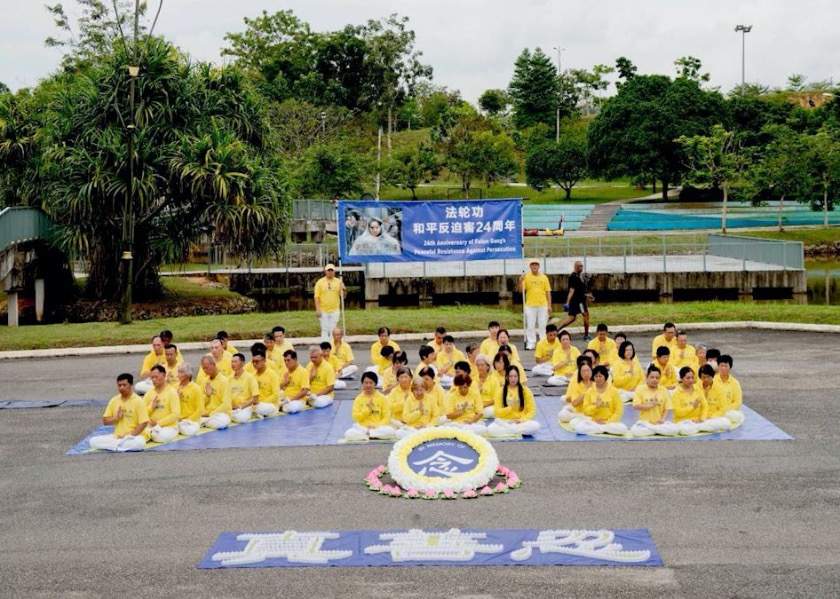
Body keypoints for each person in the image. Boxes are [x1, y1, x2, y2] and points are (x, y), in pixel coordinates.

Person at [89, 374, 148, 451]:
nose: (121, 388)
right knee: (93, 441)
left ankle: (115, 446)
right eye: (119, 385)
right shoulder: (114, 400)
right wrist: (116, 418)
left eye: (124, 385)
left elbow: (143, 423)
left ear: (131, 385)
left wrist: (129, 436)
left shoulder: (139, 401)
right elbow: (105, 421)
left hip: (134, 437)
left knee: (139, 444)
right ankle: (118, 446)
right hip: (117, 437)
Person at [572, 365, 628, 436]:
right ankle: (603, 429)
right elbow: (586, 410)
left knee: (623, 429)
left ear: (605, 377)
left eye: (600, 376)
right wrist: (595, 406)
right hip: (594, 421)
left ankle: (599, 429)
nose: (598, 379)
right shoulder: (590, 391)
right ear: (593, 378)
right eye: (596, 376)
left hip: (609, 423)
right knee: (579, 428)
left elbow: (619, 410)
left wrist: (607, 422)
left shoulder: (614, 391)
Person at [487, 365, 541, 437]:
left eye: (515, 376)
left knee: (535, 426)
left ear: (518, 377)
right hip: (505, 421)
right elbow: (497, 412)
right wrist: (510, 408)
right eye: (511, 376)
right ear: (506, 377)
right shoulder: (500, 391)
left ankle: (509, 431)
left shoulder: (525, 390)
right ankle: (515, 431)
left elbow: (532, 411)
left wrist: (522, 420)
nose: (513, 379)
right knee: (491, 429)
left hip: (519, 422)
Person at [344, 372, 396, 441]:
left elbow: (386, 417)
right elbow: (355, 416)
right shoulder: (358, 398)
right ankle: (371, 435)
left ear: (375, 384)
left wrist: (376, 426)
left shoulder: (382, 398)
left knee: (391, 432)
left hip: (377, 427)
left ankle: (367, 435)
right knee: (348, 434)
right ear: (363, 384)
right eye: (366, 383)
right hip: (363, 427)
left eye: (371, 383)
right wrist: (367, 409)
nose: (368, 385)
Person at [629, 365, 678, 437]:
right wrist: (650, 405)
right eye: (652, 377)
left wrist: (662, 420)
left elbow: (667, 408)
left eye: (657, 378)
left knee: (674, 430)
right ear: (647, 377)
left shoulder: (663, 389)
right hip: (645, 423)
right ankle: (657, 430)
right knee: (635, 431)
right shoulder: (640, 389)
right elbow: (635, 406)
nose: (654, 380)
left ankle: (653, 430)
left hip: (659, 423)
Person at [519, 259, 552, 350]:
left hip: (543, 305)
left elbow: (548, 292)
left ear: (539, 266)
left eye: (536, 265)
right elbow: (521, 291)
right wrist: (520, 281)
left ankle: (542, 343)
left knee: (542, 325)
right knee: (530, 325)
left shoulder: (544, 277)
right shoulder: (526, 277)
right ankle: (531, 343)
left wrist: (549, 305)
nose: (534, 266)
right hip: (530, 305)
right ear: (530, 266)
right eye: (533, 265)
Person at [557, 260, 594, 340]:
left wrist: (587, 295)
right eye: (579, 266)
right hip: (579, 302)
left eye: (582, 266)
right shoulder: (573, 277)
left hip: (579, 300)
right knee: (586, 315)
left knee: (572, 318)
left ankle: (557, 330)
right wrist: (567, 303)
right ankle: (586, 335)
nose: (581, 267)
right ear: (575, 267)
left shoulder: (578, 276)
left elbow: (579, 291)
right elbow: (572, 290)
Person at [144, 365, 181, 442]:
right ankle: (149, 434)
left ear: (164, 376)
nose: (154, 380)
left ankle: (148, 435)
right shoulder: (149, 393)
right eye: (152, 378)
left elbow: (175, 414)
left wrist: (158, 423)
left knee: (160, 436)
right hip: (151, 426)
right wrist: (151, 408)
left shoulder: (172, 392)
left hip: (168, 427)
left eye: (156, 377)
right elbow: (142, 413)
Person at [671, 367, 708, 435]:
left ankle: (699, 427)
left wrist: (702, 419)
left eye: (692, 377)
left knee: (721, 423)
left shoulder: (698, 390)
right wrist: (692, 407)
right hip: (683, 423)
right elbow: (678, 412)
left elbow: (705, 406)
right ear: (681, 379)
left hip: (697, 421)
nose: (691, 380)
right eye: (688, 378)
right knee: (686, 430)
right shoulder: (676, 393)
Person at [199, 355, 232, 430]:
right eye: (203, 368)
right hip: (206, 414)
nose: (204, 370)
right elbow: (200, 402)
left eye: (206, 368)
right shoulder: (204, 381)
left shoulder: (224, 381)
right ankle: (204, 422)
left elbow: (226, 404)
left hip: (220, 414)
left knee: (222, 422)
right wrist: (207, 396)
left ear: (213, 365)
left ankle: (203, 422)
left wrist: (211, 414)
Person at [697, 364, 733, 432]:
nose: (706, 379)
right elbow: (695, 406)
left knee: (725, 424)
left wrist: (712, 417)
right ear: (700, 377)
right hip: (699, 417)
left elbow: (723, 408)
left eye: (708, 377)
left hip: (714, 417)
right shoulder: (696, 387)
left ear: (712, 376)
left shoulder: (719, 388)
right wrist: (704, 395)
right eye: (703, 377)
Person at [314, 264, 345, 342]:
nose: (330, 272)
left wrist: (344, 289)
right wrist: (318, 309)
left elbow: (343, 296)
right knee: (324, 329)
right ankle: (324, 346)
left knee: (333, 329)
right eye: (328, 270)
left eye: (332, 270)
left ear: (334, 271)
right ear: (325, 271)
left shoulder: (339, 282)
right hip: (323, 310)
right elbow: (316, 296)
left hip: (335, 310)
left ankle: (332, 345)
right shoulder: (320, 282)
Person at [558, 357, 594, 423]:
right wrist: (587, 391)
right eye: (583, 371)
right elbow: (574, 403)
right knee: (562, 415)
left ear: (592, 371)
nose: (586, 373)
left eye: (588, 370)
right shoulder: (577, 384)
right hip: (579, 412)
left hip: (594, 412)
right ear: (579, 373)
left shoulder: (596, 382)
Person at [249, 347, 281, 418]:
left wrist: (261, 402)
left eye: (257, 362)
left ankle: (257, 413)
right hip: (255, 405)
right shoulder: (252, 375)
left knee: (259, 409)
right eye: (253, 361)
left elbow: (276, 394)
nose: (254, 364)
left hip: (271, 405)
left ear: (264, 360)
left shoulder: (272, 374)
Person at [176, 363, 204, 437]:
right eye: (178, 372)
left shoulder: (196, 389)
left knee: (189, 431)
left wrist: (187, 420)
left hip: (191, 421)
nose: (179, 374)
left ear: (188, 374)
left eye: (181, 372)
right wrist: (176, 398)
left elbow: (200, 410)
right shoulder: (175, 387)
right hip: (177, 420)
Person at [229, 353, 259, 423]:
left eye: (235, 362)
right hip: (232, 408)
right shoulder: (229, 379)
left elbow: (255, 397)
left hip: (245, 407)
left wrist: (241, 407)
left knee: (240, 418)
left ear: (242, 363)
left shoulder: (250, 377)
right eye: (232, 362)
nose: (233, 364)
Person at [715, 355, 744, 426]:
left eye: (726, 366)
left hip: (728, 411)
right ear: (718, 366)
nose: (723, 368)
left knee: (737, 417)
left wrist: (724, 410)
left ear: (730, 367)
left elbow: (738, 402)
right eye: (721, 366)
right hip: (714, 409)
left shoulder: (735, 383)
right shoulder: (713, 380)